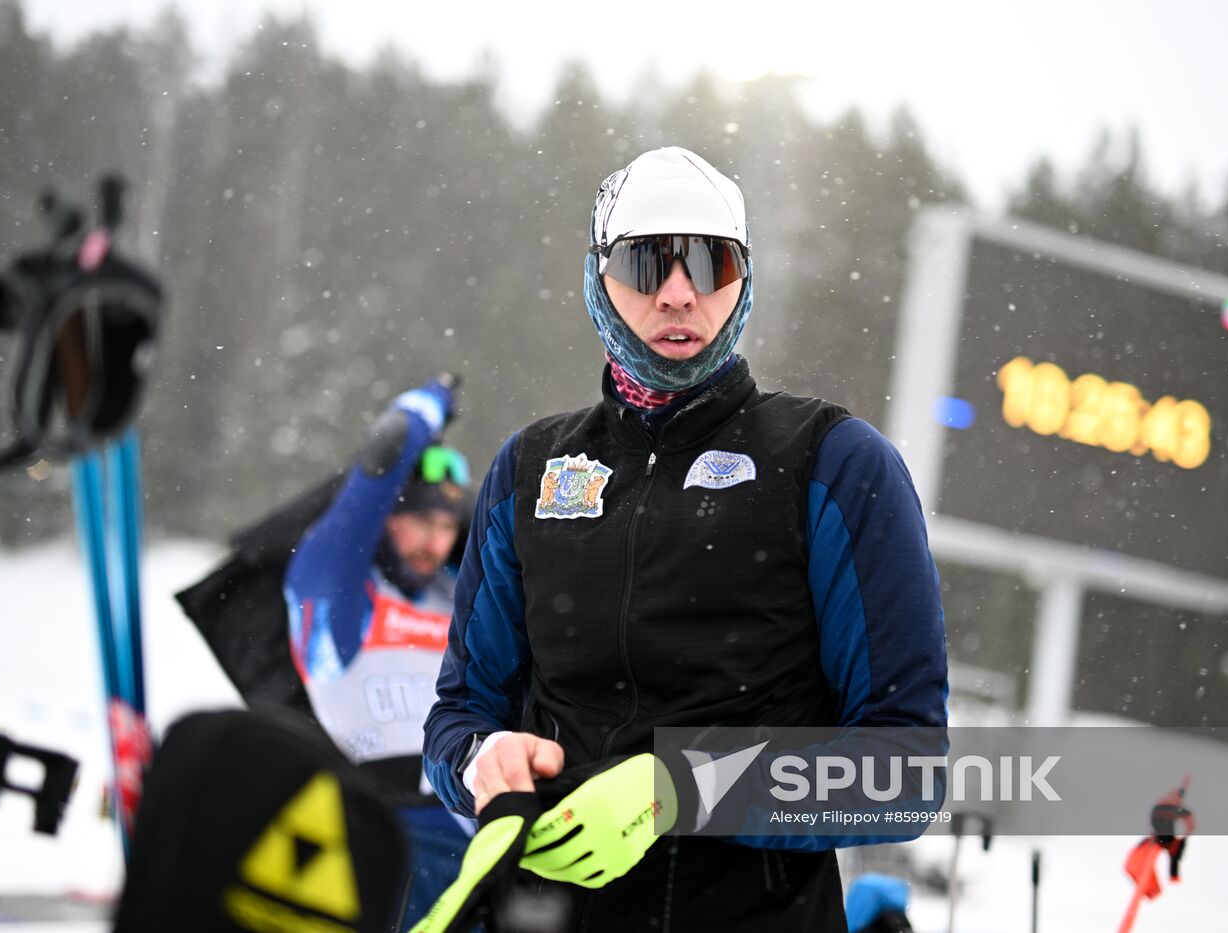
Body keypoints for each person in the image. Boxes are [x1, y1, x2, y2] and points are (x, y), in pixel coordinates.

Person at [422, 146, 948, 930]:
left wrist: (681, 788)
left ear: (744, 278)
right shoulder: (531, 469)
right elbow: (459, 715)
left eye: (710, 263)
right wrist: (478, 761)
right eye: (646, 263)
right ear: (598, 276)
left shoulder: (833, 464)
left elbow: (905, 772)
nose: (678, 292)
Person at [283, 376, 474, 930]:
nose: (432, 542)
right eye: (417, 520)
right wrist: (427, 405)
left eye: (444, 525)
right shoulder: (335, 593)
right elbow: (385, 454)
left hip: (487, 831)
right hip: (388, 834)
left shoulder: (454, 594)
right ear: (384, 517)